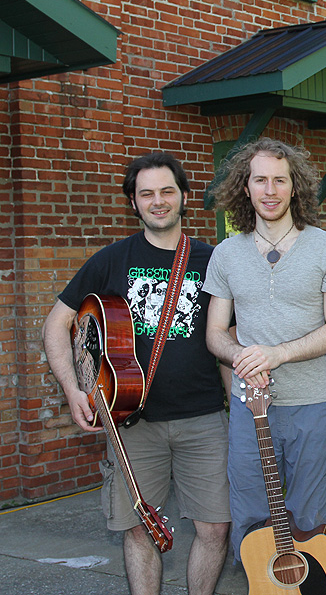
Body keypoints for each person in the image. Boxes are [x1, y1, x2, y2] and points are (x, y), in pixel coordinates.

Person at [42, 152, 230, 595]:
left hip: (203, 419)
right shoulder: (111, 260)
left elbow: (227, 341)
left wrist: (238, 409)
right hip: (131, 423)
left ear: (184, 197)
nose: (158, 201)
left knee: (215, 528)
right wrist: (73, 389)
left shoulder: (213, 260)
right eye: (146, 193)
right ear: (134, 202)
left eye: (167, 191)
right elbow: (55, 325)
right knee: (137, 529)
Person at [203, 137, 326, 559]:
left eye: (279, 181)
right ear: (245, 188)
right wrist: (241, 357)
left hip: (311, 404)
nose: (270, 190)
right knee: (250, 517)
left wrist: (277, 353)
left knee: (311, 519)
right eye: (260, 180)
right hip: (249, 407)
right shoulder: (227, 254)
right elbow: (215, 333)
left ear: (295, 187)